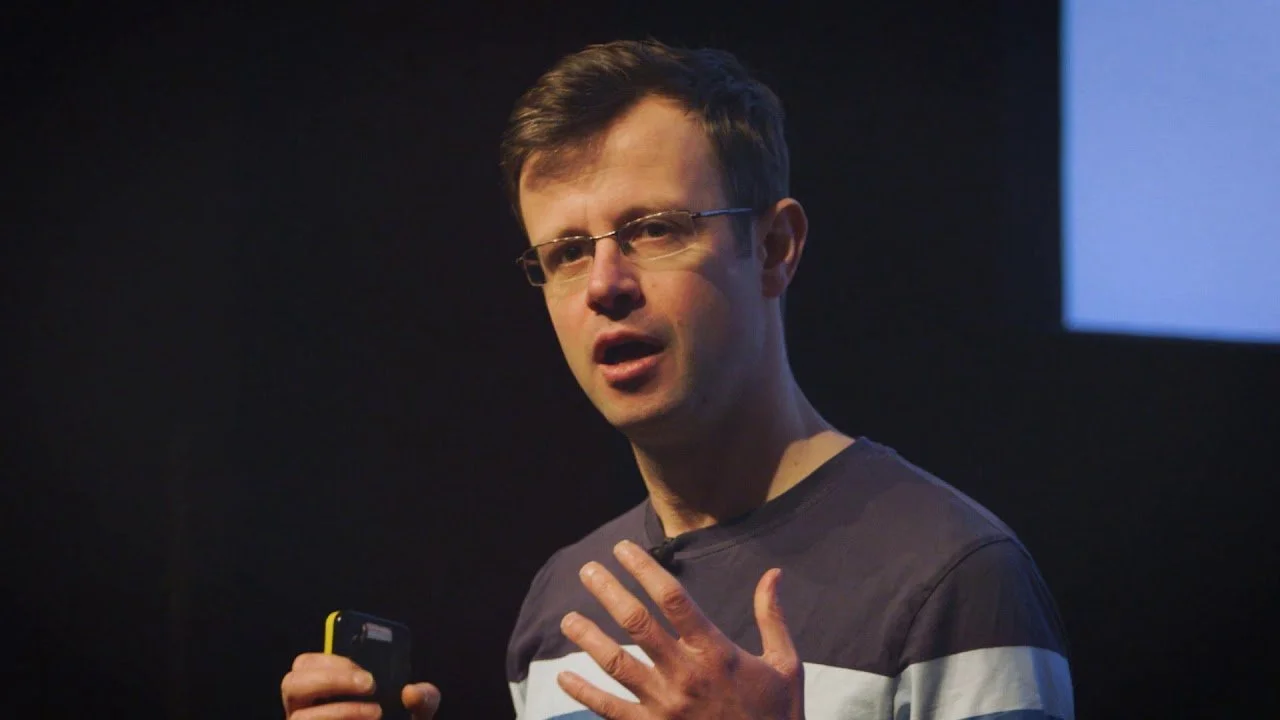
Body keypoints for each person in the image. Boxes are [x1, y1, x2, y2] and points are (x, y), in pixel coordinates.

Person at [281, 39, 1073, 720]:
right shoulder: (563, 606)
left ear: (773, 248)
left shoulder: (953, 578)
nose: (604, 284)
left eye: (652, 229)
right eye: (564, 253)